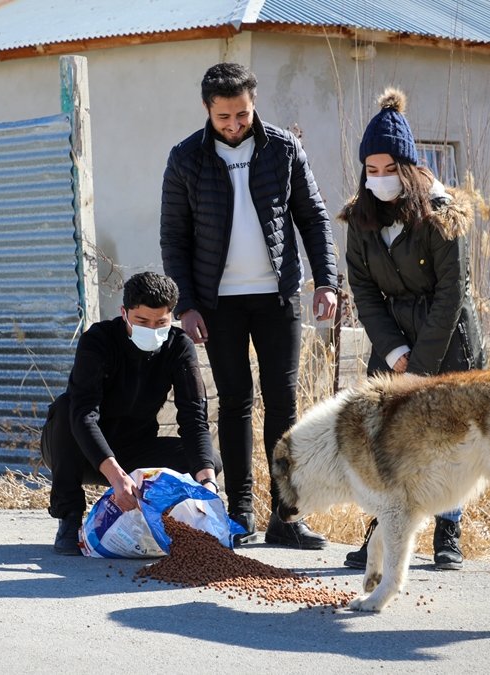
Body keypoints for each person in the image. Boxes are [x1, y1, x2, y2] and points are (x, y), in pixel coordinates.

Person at [160, 62, 339, 549]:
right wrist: (187, 306)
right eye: (224, 118)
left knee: (283, 404)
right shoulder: (185, 159)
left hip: (277, 298)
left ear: (253, 103)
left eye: (242, 114)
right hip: (218, 304)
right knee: (235, 404)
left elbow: (314, 218)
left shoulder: (283, 149)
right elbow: (173, 239)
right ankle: (240, 515)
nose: (235, 124)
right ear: (207, 110)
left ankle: (286, 516)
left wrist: (326, 280)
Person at [339, 87, 487, 571]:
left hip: (447, 341)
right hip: (393, 340)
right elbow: (363, 290)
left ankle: (449, 530)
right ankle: (378, 535)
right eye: (371, 170)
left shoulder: (442, 214)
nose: (379, 179)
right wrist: (394, 352)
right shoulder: (360, 220)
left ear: (407, 169)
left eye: (389, 169)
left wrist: (420, 366)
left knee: (448, 439)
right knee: (383, 439)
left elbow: (452, 295)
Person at [41, 271, 222, 556]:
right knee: (66, 409)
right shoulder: (98, 340)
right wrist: (115, 476)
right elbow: (84, 414)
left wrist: (208, 483)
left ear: (171, 316)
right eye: (142, 321)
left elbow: (193, 417)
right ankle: (70, 518)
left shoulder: (179, 347)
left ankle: (163, 522)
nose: (152, 329)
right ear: (124, 313)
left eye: (161, 322)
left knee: (207, 460)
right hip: (80, 451)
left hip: (135, 451)